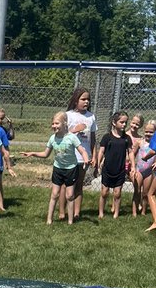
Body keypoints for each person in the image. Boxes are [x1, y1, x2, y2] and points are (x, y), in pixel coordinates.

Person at [22, 111, 88, 224]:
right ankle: (49, 220)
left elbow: (82, 151)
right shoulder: (52, 138)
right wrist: (33, 153)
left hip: (71, 169)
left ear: (65, 123)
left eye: (57, 123)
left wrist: (86, 160)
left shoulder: (72, 138)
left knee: (70, 195)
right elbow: (45, 154)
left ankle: (70, 221)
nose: (54, 126)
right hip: (58, 168)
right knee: (54, 194)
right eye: (53, 123)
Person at [66, 87, 97, 220]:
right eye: (83, 99)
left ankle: (77, 213)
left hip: (84, 157)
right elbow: (61, 135)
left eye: (88, 99)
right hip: (70, 155)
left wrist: (94, 155)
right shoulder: (68, 115)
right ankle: (63, 212)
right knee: (68, 185)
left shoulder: (91, 116)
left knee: (79, 184)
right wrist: (75, 129)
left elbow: (93, 139)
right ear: (75, 100)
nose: (86, 102)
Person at [96, 112, 135, 219]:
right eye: (121, 122)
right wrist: (98, 164)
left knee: (117, 193)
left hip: (120, 169)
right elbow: (101, 151)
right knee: (104, 192)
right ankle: (101, 212)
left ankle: (116, 214)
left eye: (125, 122)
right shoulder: (107, 137)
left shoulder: (126, 138)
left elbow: (130, 152)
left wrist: (133, 166)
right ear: (114, 122)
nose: (124, 124)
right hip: (107, 169)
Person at [133, 120, 156, 217]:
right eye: (146, 131)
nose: (148, 134)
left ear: (155, 133)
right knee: (137, 191)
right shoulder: (139, 142)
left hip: (149, 172)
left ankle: (143, 211)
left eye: (151, 132)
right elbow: (132, 154)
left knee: (145, 193)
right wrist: (131, 165)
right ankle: (134, 211)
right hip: (139, 170)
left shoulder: (155, 145)